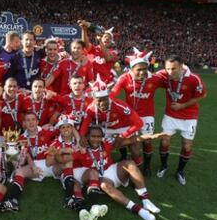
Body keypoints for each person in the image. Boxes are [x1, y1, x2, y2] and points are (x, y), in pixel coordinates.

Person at [84, 126, 163, 220]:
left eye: (98, 136)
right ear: (87, 137)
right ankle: (140, 211)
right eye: (93, 136)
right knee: (104, 185)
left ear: (102, 137)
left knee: (129, 163)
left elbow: (131, 140)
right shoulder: (81, 148)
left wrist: (151, 136)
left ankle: (145, 200)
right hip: (98, 178)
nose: (96, 139)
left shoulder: (106, 143)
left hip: (110, 170)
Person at [45, 116, 108, 220]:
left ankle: (93, 207)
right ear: (59, 129)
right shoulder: (55, 143)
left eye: (68, 127)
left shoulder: (79, 140)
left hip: (80, 169)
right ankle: (77, 204)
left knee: (93, 173)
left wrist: (75, 138)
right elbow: (48, 163)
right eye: (63, 127)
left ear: (73, 129)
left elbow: (83, 150)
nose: (66, 129)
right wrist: (60, 151)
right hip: (64, 171)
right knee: (73, 178)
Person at [111, 48, 163, 176]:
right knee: (125, 138)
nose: (142, 72)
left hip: (147, 116)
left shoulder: (154, 78)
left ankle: (147, 166)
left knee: (147, 141)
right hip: (129, 116)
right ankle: (124, 158)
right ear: (131, 69)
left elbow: (171, 83)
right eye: (138, 69)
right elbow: (113, 94)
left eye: (144, 69)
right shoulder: (125, 78)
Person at [155, 55, 207, 185]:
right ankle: (163, 166)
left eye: (174, 68)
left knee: (186, 145)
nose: (170, 72)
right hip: (170, 115)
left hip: (189, 117)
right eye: (167, 68)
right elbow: (148, 76)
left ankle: (180, 171)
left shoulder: (194, 79)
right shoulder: (164, 75)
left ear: (182, 66)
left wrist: (182, 106)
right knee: (165, 141)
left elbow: (201, 95)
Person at [0, 112, 58, 212]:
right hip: (35, 166)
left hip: (51, 163)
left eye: (33, 120)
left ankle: (73, 196)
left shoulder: (47, 132)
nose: (31, 123)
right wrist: (32, 166)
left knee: (66, 164)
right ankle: (13, 201)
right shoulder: (21, 138)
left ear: (37, 122)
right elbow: (26, 155)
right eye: (28, 120)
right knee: (19, 170)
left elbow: (64, 131)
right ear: (24, 123)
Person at [79, 74, 143, 148]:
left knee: (136, 151)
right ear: (94, 99)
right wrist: (82, 136)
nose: (102, 103)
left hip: (123, 128)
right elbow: (85, 125)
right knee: (88, 139)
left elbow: (139, 123)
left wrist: (122, 136)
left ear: (108, 96)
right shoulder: (91, 109)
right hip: (106, 130)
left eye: (105, 99)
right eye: (99, 101)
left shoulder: (120, 106)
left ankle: (128, 155)